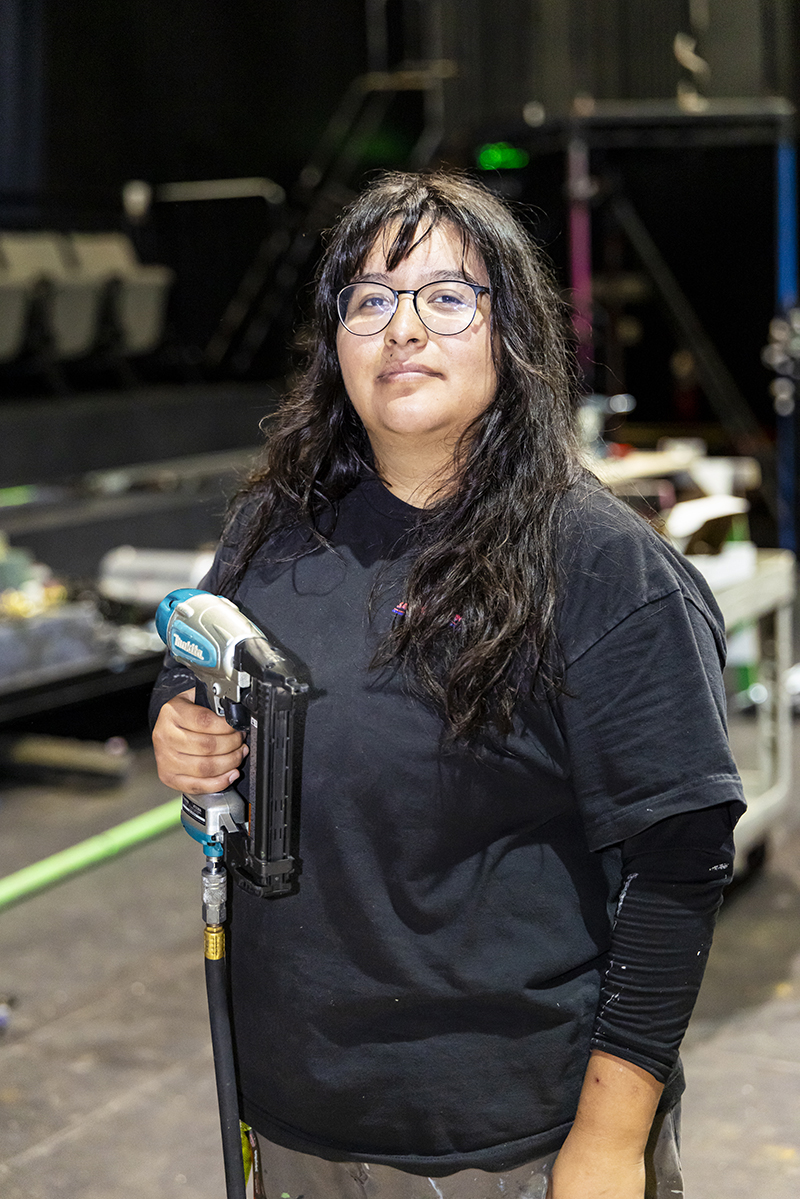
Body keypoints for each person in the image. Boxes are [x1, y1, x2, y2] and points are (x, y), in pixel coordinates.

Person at [151, 171, 745, 1199]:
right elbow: (199, 660)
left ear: (506, 333)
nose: (401, 330)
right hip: (293, 1115)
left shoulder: (597, 564)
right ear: (334, 344)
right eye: (370, 301)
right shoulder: (273, 527)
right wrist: (175, 722)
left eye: (443, 297)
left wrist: (605, 1146)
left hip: (504, 1139)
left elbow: (677, 864)